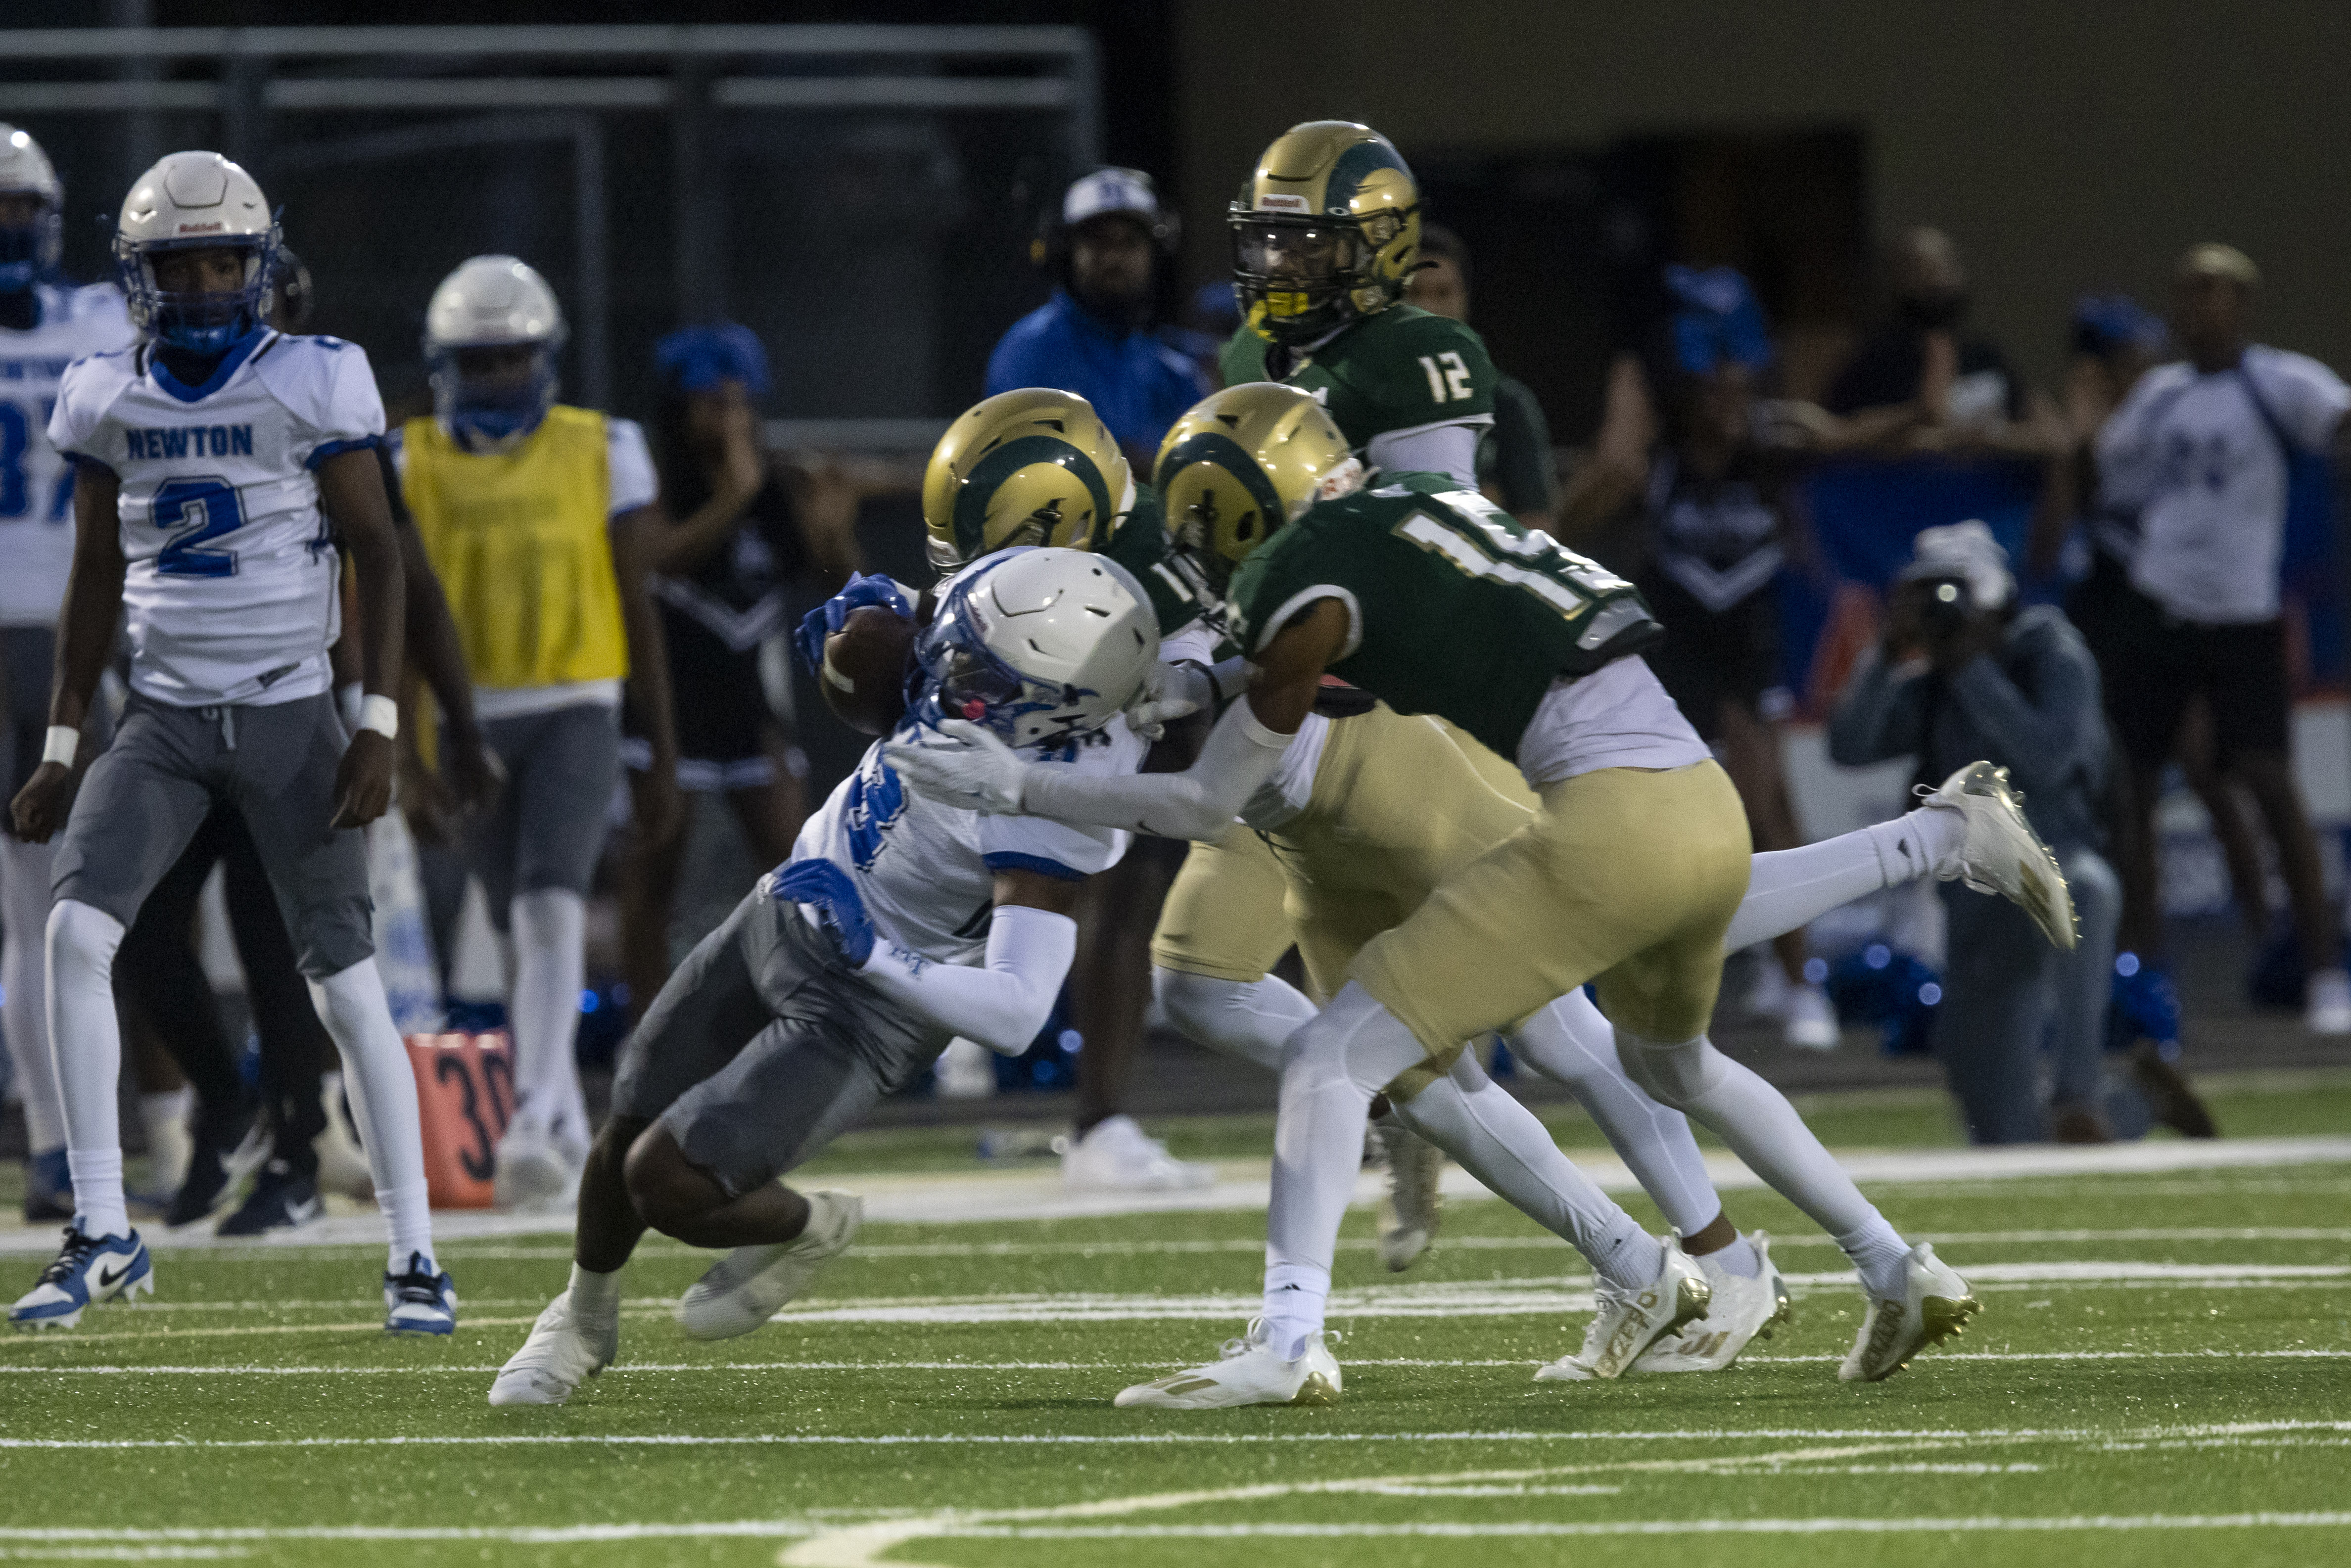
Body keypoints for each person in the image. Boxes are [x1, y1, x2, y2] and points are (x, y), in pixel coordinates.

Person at [892, 383, 2080, 1406]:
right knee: (1631, 1044)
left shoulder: (1291, 575)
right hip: (1614, 781)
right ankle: (1855, 1247)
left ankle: (1300, 1336)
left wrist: (1022, 768)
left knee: (1404, 1044)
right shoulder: (1382, 517)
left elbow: (1211, 783)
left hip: (1514, 799)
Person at [486, 546, 1162, 1405]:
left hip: (875, 1002)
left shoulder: (1061, 809)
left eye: (979, 677)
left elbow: (1019, 1012)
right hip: (793, 899)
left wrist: (875, 951)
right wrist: (861, 629)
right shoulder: (1004, 618)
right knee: (633, 1100)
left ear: (1055, 712)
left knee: (668, 1182)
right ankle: (579, 1320)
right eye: (958, 647)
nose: (947, 678)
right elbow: (902, 631)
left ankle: (809, 1226)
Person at [7, 150, 449, 1332]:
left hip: (288, 708)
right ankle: (104, 1225)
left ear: (257, 267)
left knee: (346, 987)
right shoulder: (107, 391)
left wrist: (377, 723)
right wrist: (61, 742)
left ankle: (414, 1248)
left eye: (221, 261)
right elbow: (94, 570)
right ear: (139, 278)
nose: (203, 284)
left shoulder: (313, 379)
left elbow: (381, 550)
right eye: (178, 265)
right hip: (156, 717)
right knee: (74, 928)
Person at [121, 253, 494, 1236]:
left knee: (276, 938)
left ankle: (293, 1150)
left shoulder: (327, 418)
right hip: (177, 708)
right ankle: (231, 1098)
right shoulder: (154, 404)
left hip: (297, 711)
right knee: (139, 923)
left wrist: (427, 726)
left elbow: (405, 576)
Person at [395, 254, 680, 1210]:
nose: (496, 381)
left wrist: (660, 745)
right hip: (465, 713)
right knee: (519, 922)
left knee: (553, 902)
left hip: (576, 696)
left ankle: (530, 1118)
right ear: (444, 365)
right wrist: (404, 748)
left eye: (510, 360)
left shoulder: (605, 445)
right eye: (479, 365)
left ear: (545, 357)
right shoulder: (407, 460)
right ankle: (554, 1117)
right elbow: (393, 614)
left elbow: (641, 603)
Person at [918, 388, 1212, 1191]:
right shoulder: (1081, 526)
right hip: (1068, 721)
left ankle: (1099, 1120)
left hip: (1184, 736)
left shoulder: (1159, 555)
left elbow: (1201, 722)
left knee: (1148, 904)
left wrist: (1165, 692)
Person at [1562, 265, 1839, 1049]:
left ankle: (1800, 980)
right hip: (1671, 648)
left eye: (1736, 385)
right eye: (1708, 387)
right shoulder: (1660, 464)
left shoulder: (1772, 455)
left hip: (1745, 652)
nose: (1725, 400)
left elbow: (1880, 432)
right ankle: (1640, 981)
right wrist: (1632, 371)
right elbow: (1613, 465)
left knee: (1765, 806)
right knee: (1648, 814)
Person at [2091, 244, 2351, 1036]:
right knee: (2130, 786)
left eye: (2212, 291)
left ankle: (2324, 969)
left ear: (2243, 303)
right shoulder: (2160, 397)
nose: (2196, 306)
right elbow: (2111, 471)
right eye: (2185, 292)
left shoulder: (2279, 382)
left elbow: (2339, 424)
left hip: (2242, 610)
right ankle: (2141, 966)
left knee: (2270, 781)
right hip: (2159, 601)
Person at [1829, 523, 2123, 1142]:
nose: (1941, 614)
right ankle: (2143, 1103)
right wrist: (1885, 653)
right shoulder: (1934, 684)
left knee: (2090, 890)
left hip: (2054, 855)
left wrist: (1972, 670)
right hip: (1974, 893)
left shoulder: (2049, 654)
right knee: (1998, 1125)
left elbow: (2047, 756)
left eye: (1951, 595)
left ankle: (2081, 1090)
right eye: (1927, 597)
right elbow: (1850, 745)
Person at [618, 323, 858, 1020]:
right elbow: (659, 560)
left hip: (752, 711)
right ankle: (649, 1029)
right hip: (667, 714)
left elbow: (842, 583)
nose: (731, 419)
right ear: (678, 408)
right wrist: (732, 496)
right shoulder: (653, 484)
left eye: (740, 402)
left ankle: (808, 1016)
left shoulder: (776, 489)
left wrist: (835, 526)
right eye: (712, 403)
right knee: (654, 874)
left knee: (799, 866)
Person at [0, 124, 137, 1221]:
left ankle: (70, 1133)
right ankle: (56, 1137)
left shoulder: (103, 319)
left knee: (53, 903)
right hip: (36, 630)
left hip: (76, 630)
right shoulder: (100, 323)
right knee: (34, 902)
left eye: (16, 210)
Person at [986, 168, 1209, 471]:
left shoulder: (1175, 367)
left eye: (1130, 242)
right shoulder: (1029, 351)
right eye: (1099, 242)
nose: (1114, 258)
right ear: (1067, 253)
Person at [1402, 224, 1557, 530]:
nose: (1427, 308)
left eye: (1443, 293)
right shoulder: (1369, 395)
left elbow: (1537, 527)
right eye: (1414, 293)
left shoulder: (1507, 403)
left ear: (1465, 298)